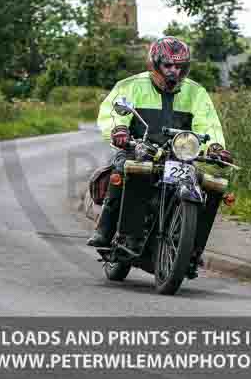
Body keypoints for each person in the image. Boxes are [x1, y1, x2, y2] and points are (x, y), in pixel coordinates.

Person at [87, 36, 233, 277]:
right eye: (168, 66)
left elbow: (209, 123)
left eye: (179, 67)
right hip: (138, 148)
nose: (174, 71)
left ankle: (192, 250)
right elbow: (113, 111)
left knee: (212, 186)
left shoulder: (196, 92)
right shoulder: (131, 85)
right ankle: (106, 230)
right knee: (126, 169)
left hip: (180, 156)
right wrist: (119, 130)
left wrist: (215, 147)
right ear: (155, 64)